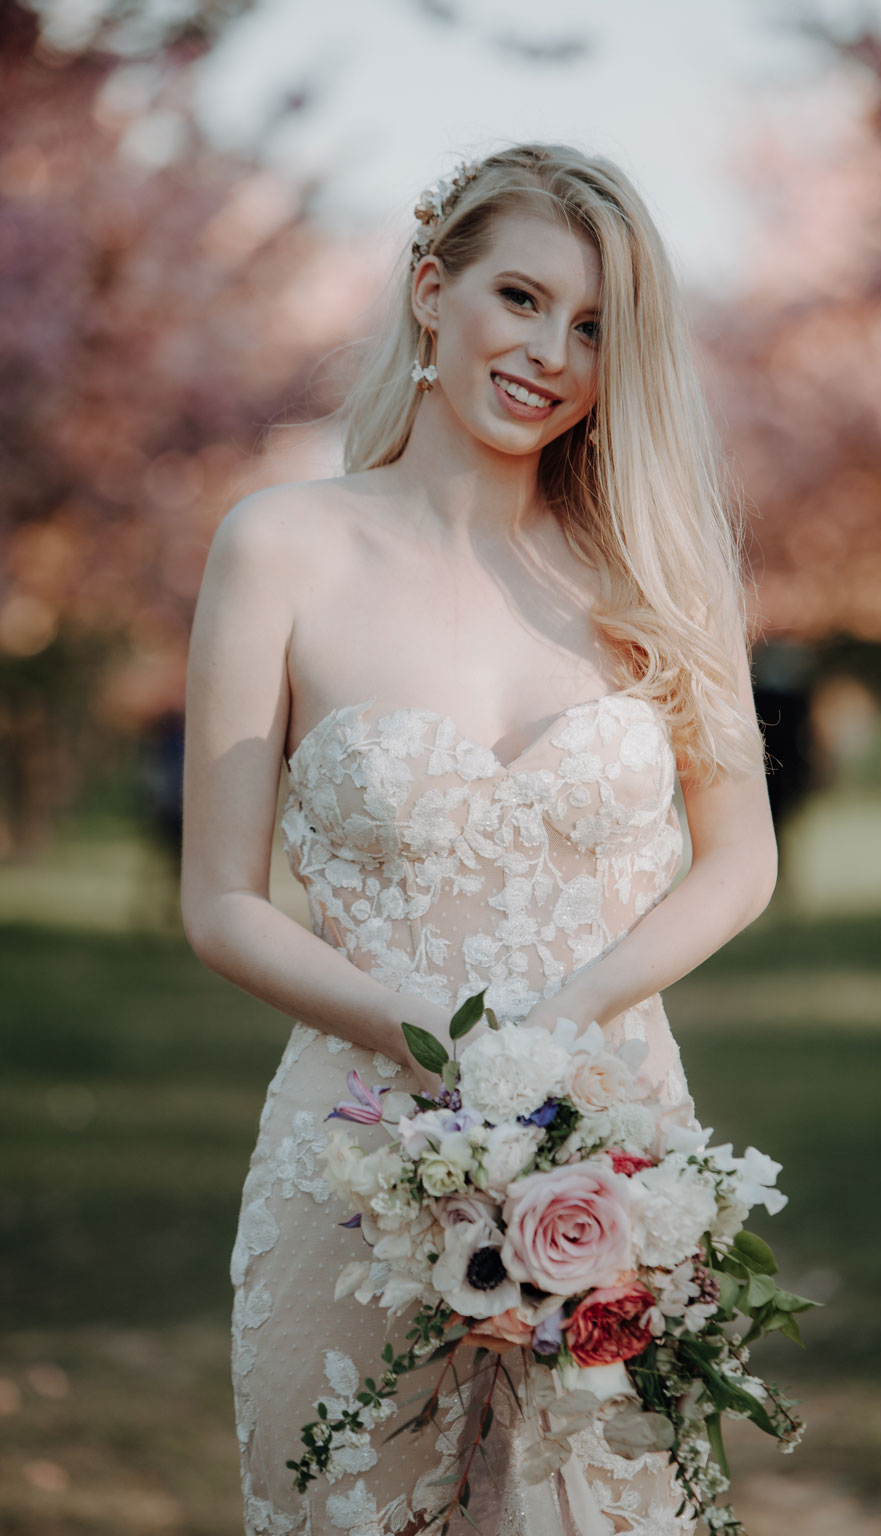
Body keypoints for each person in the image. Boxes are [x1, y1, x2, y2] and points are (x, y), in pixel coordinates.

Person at [181, 142, 777, 1536]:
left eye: (592, 329)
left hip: (614, 1158)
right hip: (355, 1159)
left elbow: (741, 860)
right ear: (430, 290)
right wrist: (443, 1047)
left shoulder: (660, 570)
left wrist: (560, 1032)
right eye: (520, 298)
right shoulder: (281, 547)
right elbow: (220, 901)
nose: (551, 353)